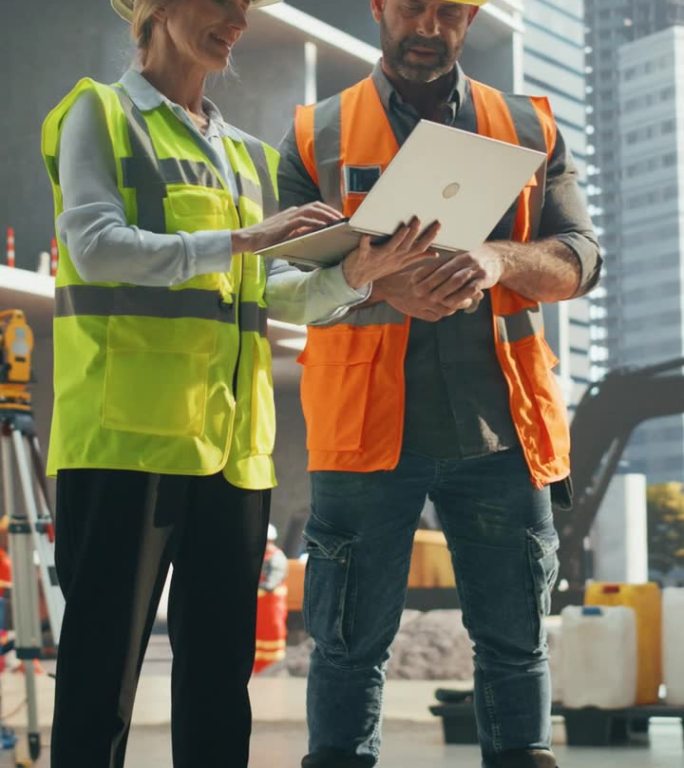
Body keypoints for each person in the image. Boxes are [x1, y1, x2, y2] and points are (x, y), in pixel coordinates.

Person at [40, 0, 441, 765]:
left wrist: (360, 277)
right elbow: (94, 246)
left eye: (245, 7)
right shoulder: (99, 113)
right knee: (100, 688)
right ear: (157, 9)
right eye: (220, 4)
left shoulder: (249, 156)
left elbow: (273, 290)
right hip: (124, 443)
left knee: (221, 687)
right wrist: (243, 238)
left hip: (232, 453)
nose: (238, 20)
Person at [277, 1, 602, 767]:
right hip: (364, 436)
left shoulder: (527, 127)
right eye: (413, 5)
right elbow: (281, 279)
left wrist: (497, 260)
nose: (429, 24)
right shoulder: (312, 134)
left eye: (449, 10)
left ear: (472, 15)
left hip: (501, 430)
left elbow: (581, 257)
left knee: (516, 649)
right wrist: (384, 288)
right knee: (347, 651)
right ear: (379, 7)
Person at [253, 523, 289, 672]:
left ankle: (272, 668)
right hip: (261, 606)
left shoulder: (277, 557)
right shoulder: (259, 554)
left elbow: (271, 583)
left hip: (271, 606)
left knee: (271, 633)